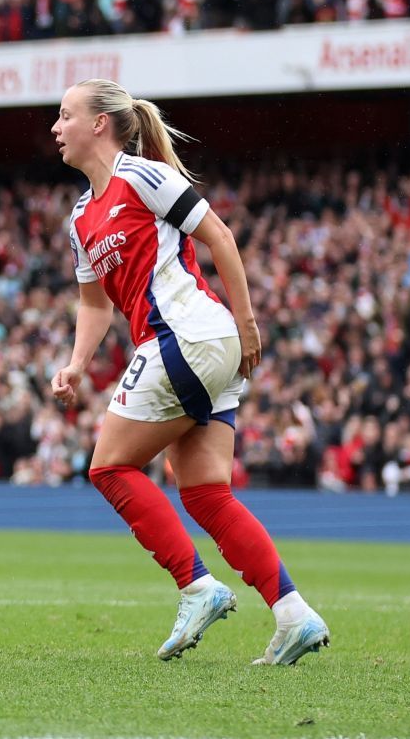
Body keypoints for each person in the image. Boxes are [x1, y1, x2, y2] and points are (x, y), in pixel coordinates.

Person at [48, 79, 329, 667]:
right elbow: (95, 303)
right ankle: (294, 615)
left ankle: (197, 587)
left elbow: (220, 237)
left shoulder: (143, 176)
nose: (56, 126)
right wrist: (76, 364)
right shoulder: (81, 217)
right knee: (204, 493)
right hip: (202, 347)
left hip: (189, 337)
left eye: (65, 114)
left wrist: (248, 323)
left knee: (108, 467)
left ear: (99, 123)